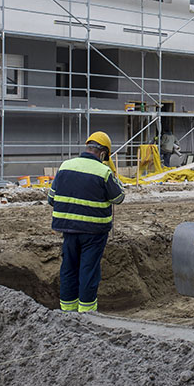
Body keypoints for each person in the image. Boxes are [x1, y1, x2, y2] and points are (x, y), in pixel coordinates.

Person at [48, 131, 125, 313]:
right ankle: (88, 314)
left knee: (69, 268)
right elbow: (119, 197)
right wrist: (113, 172)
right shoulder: (103, 172)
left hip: (68, 229)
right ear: (104, 153)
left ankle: (67, 311)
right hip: (94, 232)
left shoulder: (65, 166)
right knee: (88, 271)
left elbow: (52, 199)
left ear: (87, 147)